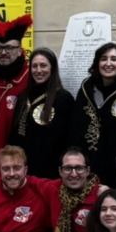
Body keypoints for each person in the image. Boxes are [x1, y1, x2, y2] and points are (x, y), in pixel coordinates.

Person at [71, 41, 116, 190]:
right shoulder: (86, 89)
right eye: (104, 59)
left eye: (114, 59)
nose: (108, 63)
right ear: (97, 63)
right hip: (88, 165)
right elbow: (75, 127)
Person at [9, 48, 75, 179]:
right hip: (22, 170)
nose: (38, 70)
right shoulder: (23, 97)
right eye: (34, 66)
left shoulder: (62, 98)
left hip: (49, 171)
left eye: (43, 65)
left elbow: (67, 139)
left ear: (52, 68)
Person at [0, 14, 32, 176]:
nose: (4, 52)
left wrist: (4, 118)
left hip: (19, 149)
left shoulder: (31, 77)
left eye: (9, 48)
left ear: (20, 51)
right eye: (0, 48)